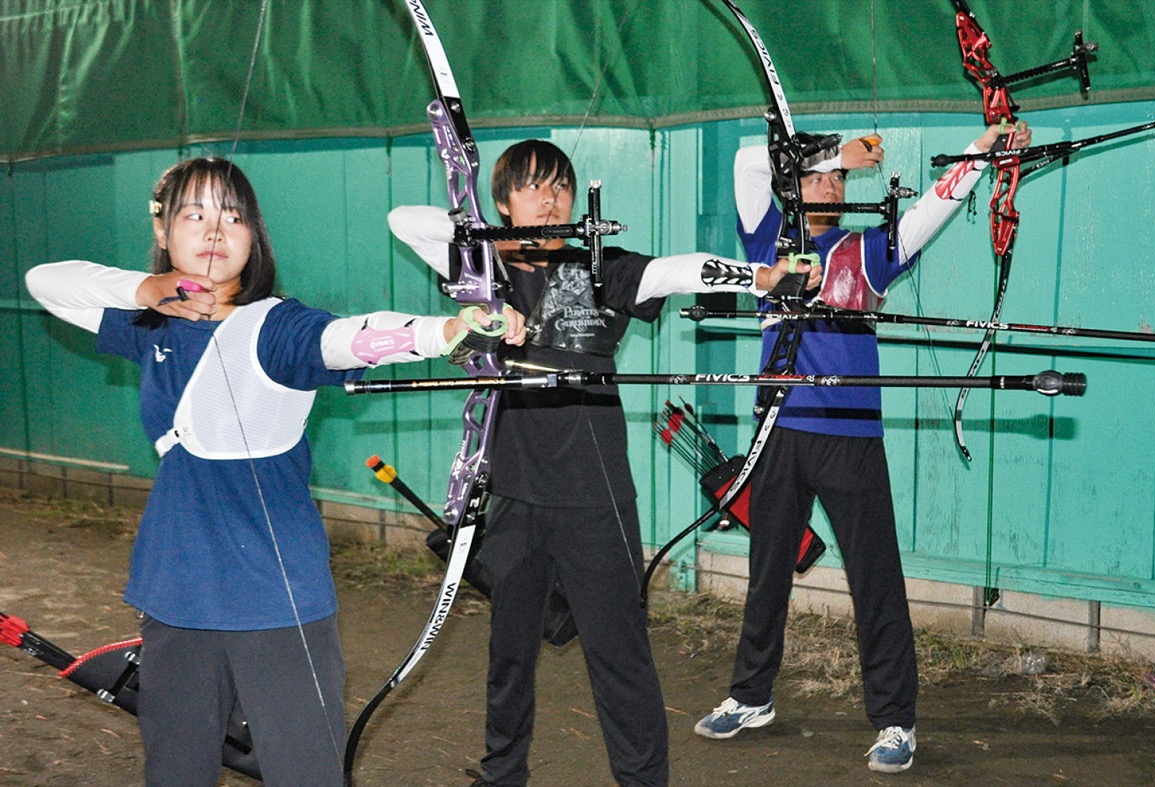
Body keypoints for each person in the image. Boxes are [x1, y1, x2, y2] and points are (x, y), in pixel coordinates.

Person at [23, 156, 526, 787]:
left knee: (307, 771)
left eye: (233, 217)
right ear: (163, 231)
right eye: (194, 215)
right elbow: (45, 281)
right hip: (173, 587)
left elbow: (347, 337)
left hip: (275, 595)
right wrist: (144, 289)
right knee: (175, 769)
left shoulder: (279, 326)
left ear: (254, 236)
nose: (214, 231)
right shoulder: (149, 322)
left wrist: (447, 330)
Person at [389, 139, 808, 787]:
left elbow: (676, 272)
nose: (551, 199)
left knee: (620, 655)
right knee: (509, 653)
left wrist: (762, 278)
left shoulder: (599, 264)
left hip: (596, 496)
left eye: (560, 186)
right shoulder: (484, 270)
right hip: (515, 496)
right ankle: (502, 774)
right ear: (503, 202)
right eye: (532, 187)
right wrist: (489, 245)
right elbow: (404, 221)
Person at [693, 122, 1032, 774]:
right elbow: (744, 163)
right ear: (792, 181)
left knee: (874, 579)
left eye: (839, 178)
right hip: (778, 430)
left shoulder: (866, 250)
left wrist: (977, 154)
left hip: (849, 435)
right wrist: (832, 151)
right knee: (767, 571)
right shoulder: (769, 242)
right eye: (817, 175)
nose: (831, 185)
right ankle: (751, 695)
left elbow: (929, 211)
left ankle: (896, 720)